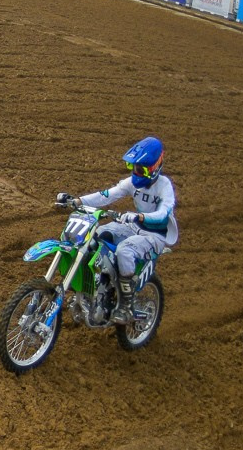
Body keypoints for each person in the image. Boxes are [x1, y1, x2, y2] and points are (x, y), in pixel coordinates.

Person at [57, 138, 177, 321]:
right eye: (134, 167)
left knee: (124, 251)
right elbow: (106, 195)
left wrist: (140, 216)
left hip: (155, 235)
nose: (136, 172)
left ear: (155, 167)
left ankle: (125, 306)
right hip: (133, 227)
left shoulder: (164, 186)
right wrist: (78, 201)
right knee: (95, 236)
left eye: (141, 169)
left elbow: (163, 213)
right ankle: (97, 287)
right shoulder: (131, 182)